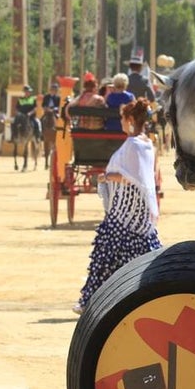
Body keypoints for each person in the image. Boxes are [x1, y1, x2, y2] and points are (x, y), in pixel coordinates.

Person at [74, 99, 161, 314]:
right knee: (140, 252)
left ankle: (90, 301)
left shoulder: (133, 145)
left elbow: (130, 177)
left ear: (130, 119)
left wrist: (107, 176)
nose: (121, 122)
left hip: (126, 210)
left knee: (106, 253)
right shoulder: (147, 143)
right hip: (139, 211)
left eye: (123, 118)